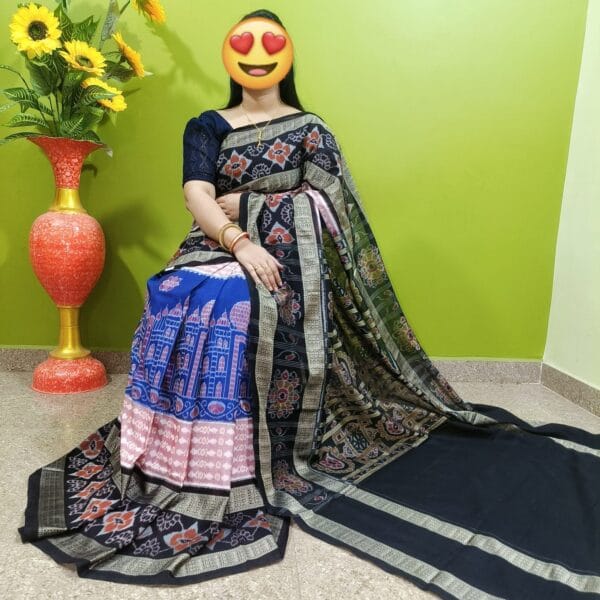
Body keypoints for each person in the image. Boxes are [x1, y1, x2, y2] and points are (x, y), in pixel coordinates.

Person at [18, 8, 600, 599]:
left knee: (241, 299)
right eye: (244, 42)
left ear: (288, 55)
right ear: (229, 55)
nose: (257, 53)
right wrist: (240, 238)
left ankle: (249, 450)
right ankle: (186, 448)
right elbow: (197, 193)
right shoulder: (207, 126)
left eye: (271, 43)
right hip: (215, 244)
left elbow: (330, 207)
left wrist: (253, 205)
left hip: (296, 259)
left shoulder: (310, 129)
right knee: (184, 293)